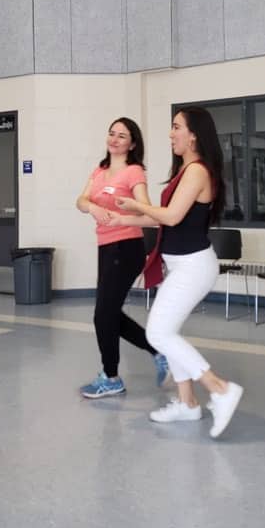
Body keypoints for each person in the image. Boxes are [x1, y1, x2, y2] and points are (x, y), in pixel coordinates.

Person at [109, 107, 243, 438]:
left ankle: (220, 388)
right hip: (182, 265)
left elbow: (169, 216)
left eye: (176, 127)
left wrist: (136, 204)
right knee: (168, 332)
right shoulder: (186, 171)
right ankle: (188, 404)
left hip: (194, 266)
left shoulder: (197, 171)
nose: (171, 134)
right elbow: (165, 219)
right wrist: (122, 219)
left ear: (194, 134)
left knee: (158, 334)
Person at [75, 118, 169, 398]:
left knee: (102, 315)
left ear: (133, 143)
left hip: (126, 248)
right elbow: (80, 200)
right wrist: (91, 207)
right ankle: (158, 350)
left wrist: (120, 219)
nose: (114, 139)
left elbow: (150, 216)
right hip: (105, 248)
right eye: (112, 133)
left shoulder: (133, 172)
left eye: (122, 136)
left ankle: (111, 377)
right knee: (108, 314)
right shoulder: (100, 169)